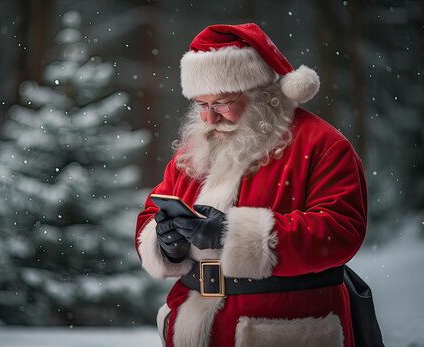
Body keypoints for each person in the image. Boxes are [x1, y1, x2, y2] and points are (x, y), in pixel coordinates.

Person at [135, 23, 367, 347]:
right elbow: (152, 210)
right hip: (194, 327)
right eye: (201, 105)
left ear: (262, 95)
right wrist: (166, 243)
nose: (209, 119)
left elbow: (341, 230)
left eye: (222, 103)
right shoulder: (193, 152)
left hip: (285, 328)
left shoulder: (322, 145)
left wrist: (234, 233)